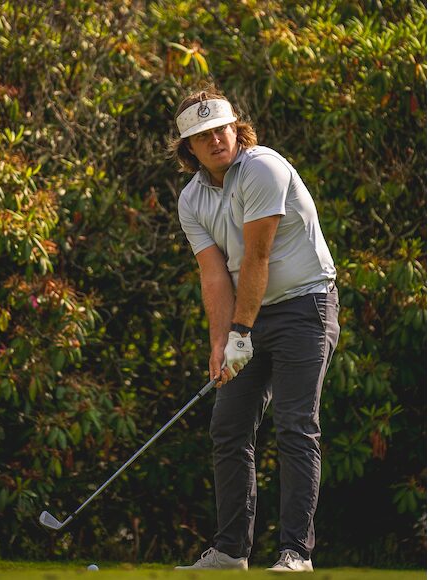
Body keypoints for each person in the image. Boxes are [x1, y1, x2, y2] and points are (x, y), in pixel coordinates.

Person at [168, 86, 340, 573]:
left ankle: (295, 552)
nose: (216, 139)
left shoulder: (263, 167)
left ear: (235, 128)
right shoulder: (192, 199)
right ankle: (230, 551)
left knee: (294, 426)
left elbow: (258, 256)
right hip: (250, 316)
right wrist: (221, 343)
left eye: (221, 128)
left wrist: (241, 331)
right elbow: (215, 273)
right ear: (189, 149)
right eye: (203, 136)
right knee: (228, 427)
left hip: (306, 306)